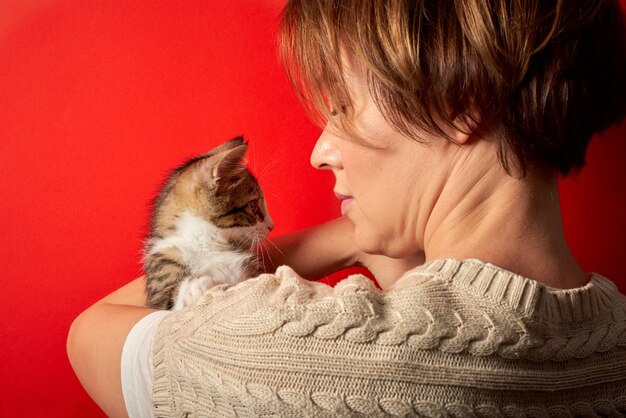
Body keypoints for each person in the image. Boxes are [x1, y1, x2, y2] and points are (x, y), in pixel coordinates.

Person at [67, 0, 626, 416]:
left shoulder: (282, 354)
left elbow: (92, 335)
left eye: (340, 105)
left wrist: (351, 236)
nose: (319, 151)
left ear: (460, 104)